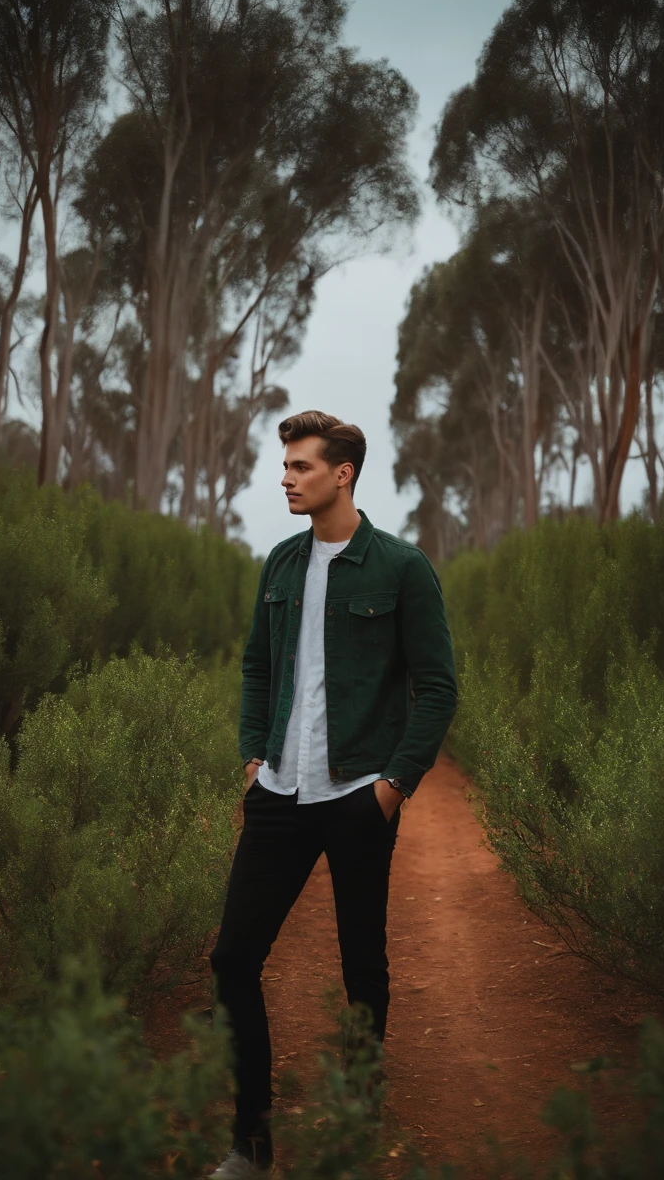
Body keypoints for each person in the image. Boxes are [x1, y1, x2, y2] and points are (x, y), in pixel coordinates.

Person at [209, 410, 457, 1176]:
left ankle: (351, 1133)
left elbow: (439, 687)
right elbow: (256, 667)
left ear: (341, 474)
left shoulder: (400, 568)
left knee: (362, 965)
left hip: (358, 795)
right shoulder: (281, 565)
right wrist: (254, 757)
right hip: (280, 792)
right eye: (285, 466)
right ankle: (251, 1146)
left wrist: (392, 787)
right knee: (232, 960)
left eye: (300, 466)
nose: (285, 478)